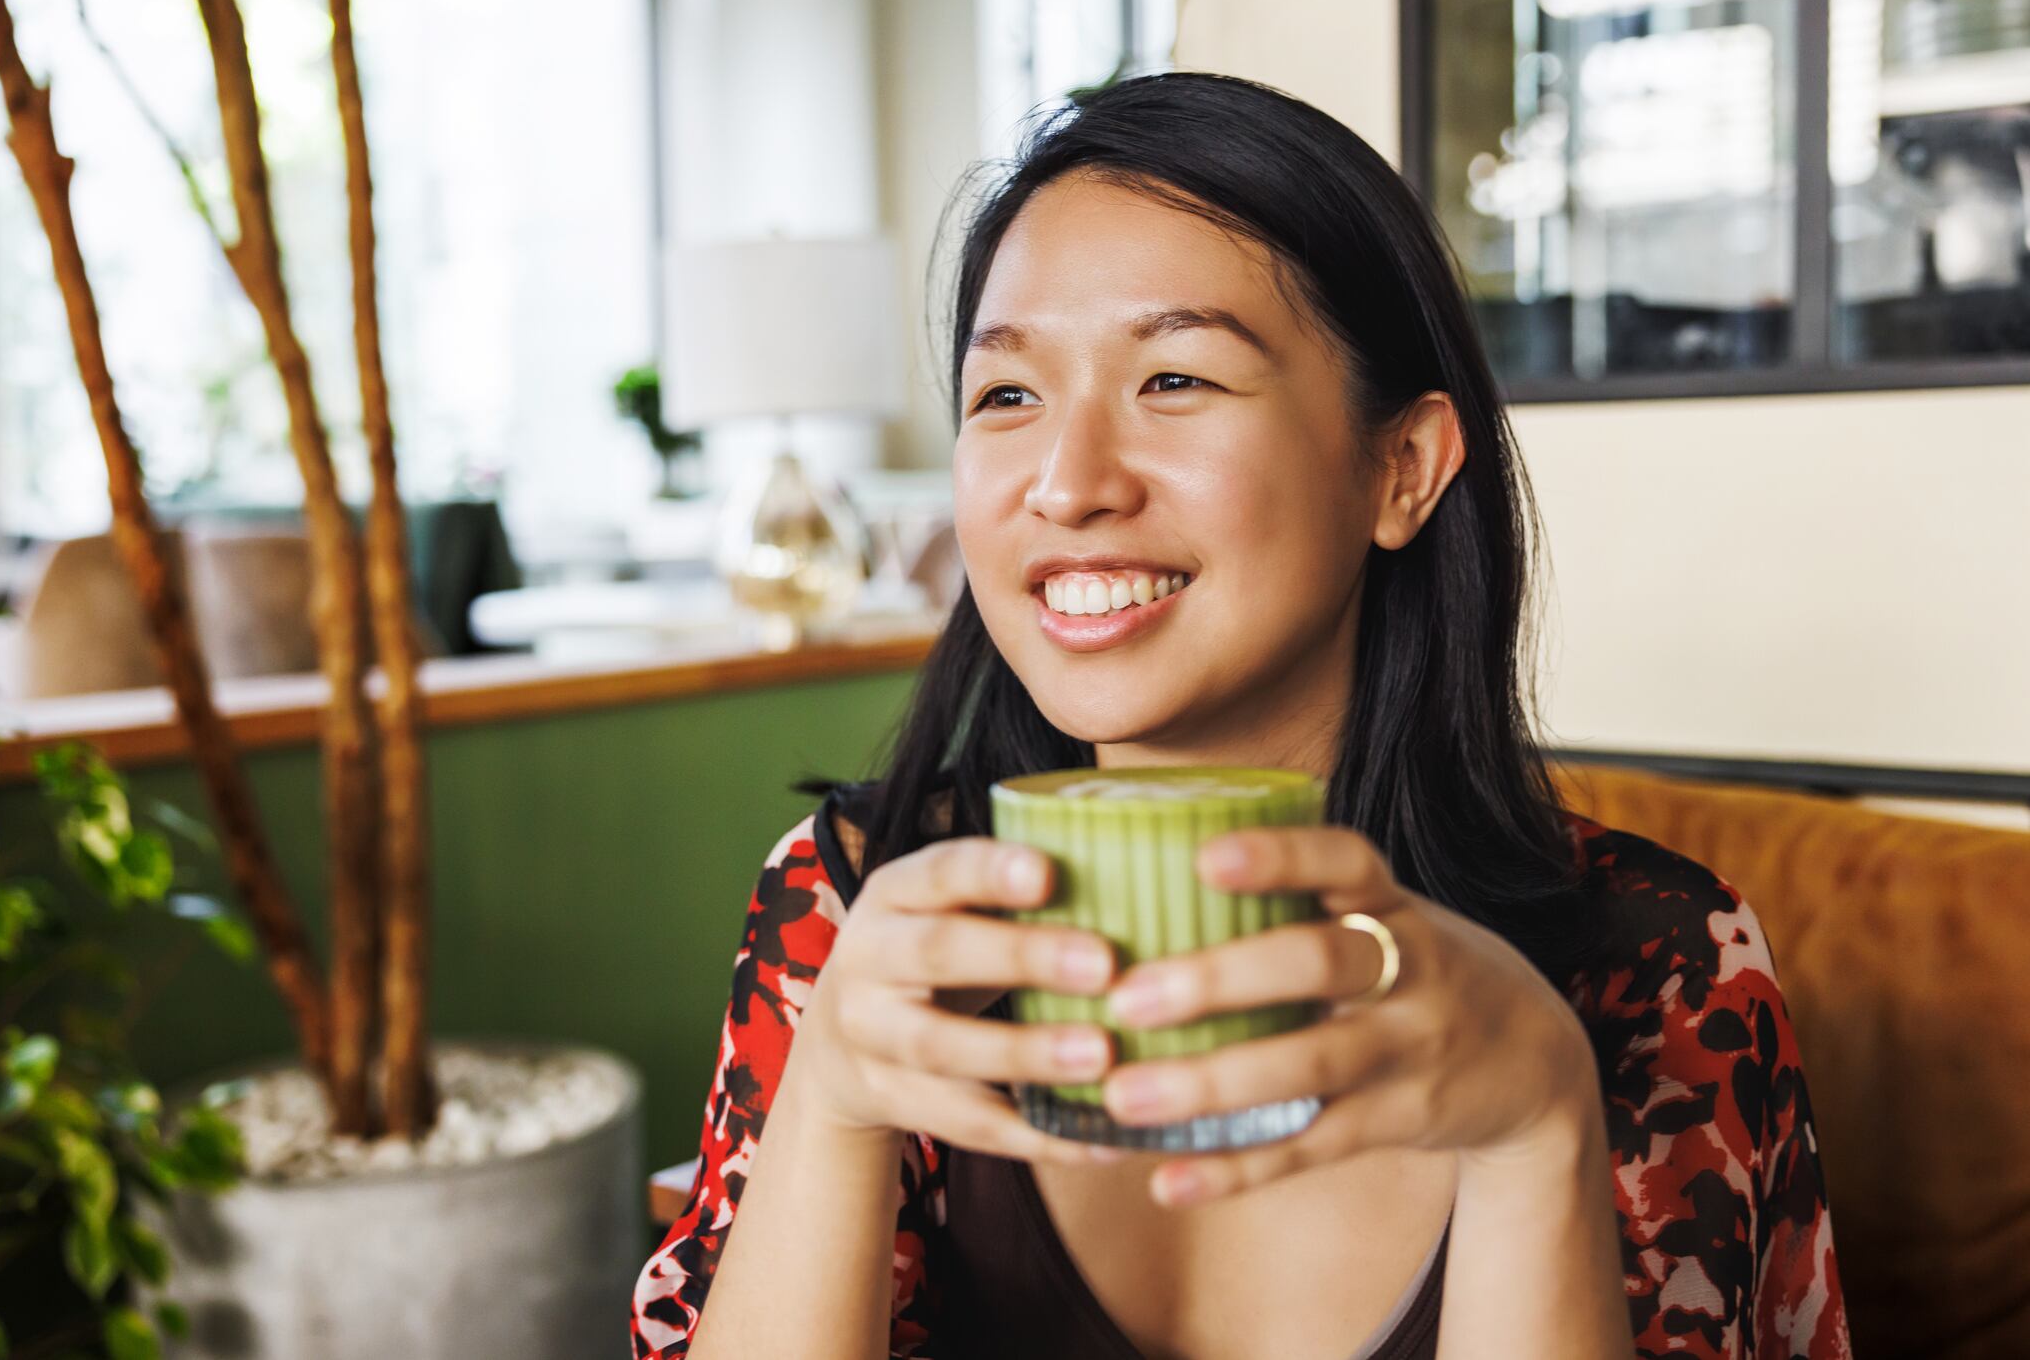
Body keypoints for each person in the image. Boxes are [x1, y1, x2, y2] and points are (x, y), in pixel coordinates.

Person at [631, 70, 1850, 1359]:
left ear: (1404, 468)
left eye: (1176, 379)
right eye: (1006, 395)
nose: (1067, 483)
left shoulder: (1665, 966)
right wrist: (831, 1099)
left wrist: (1535, 1126)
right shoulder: (856, 913)